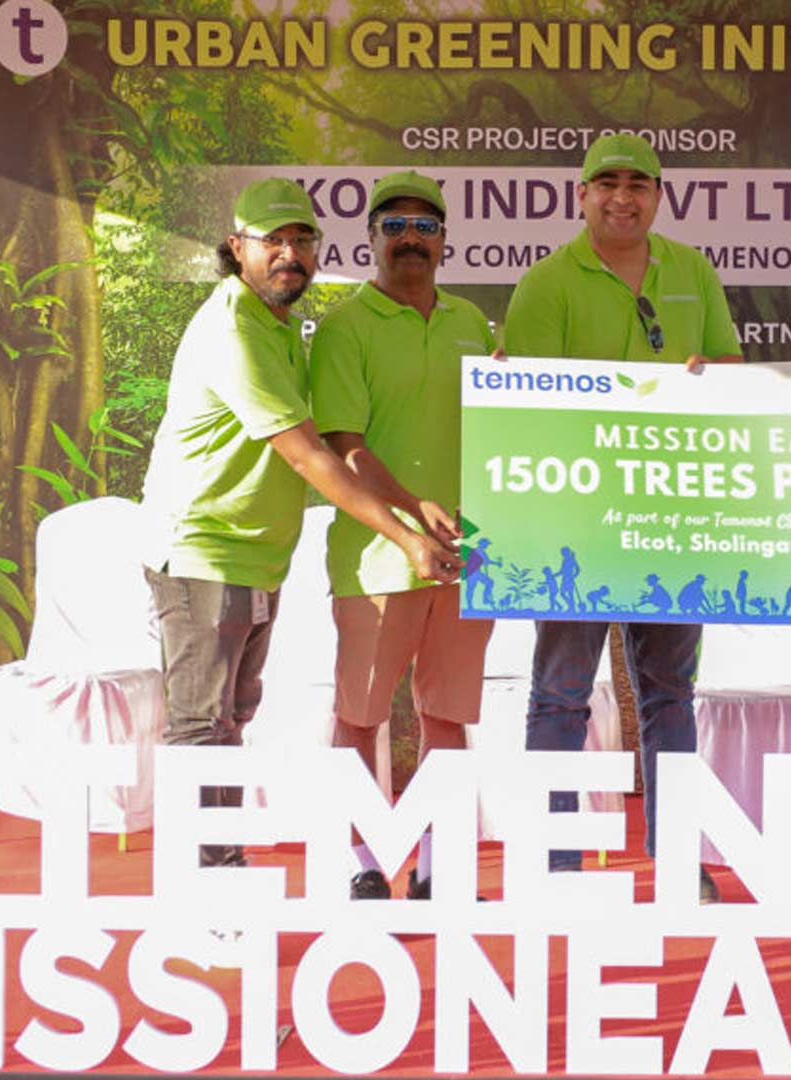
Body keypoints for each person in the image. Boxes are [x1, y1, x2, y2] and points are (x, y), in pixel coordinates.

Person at [138, 177, 461, 931]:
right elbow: (313, 456)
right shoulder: (236, 329)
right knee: (200, 723)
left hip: (252, 557)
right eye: (273, 241)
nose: (290, 254)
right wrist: (409, 534)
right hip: (203, 551)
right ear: (236, 249)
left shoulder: (279, 324)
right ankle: (199, 893)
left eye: (303, 240)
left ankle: (218, 874)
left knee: (229, 718)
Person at [501, 132, 742, 902]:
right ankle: (553, 862)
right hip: (576, 525)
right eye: (607, 182)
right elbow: (529, 408)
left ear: (658, 196)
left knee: (671, 693)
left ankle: (678, 860)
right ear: (582, 195)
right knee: (561, 693)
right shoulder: (546, 283)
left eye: (639, 183)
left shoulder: (693, 268)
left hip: (673, 517)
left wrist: (710, 379)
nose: (623, 196)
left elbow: (735, 370)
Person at [308, 171, 496, 901]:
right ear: (371, 239)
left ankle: (434, 867)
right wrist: (415, 513)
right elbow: (346, 445)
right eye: (394, 226)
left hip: (465, 555)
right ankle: (360, 860)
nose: (410, 238)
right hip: (376, 555)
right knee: (360, 712)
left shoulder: (471, 324)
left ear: (446, 241)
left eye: (425, 226)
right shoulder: (346, 326)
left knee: (445, 713)